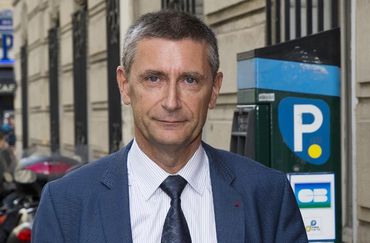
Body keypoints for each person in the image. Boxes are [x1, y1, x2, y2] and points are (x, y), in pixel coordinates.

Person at [32, 10, 307, 243]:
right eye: (154, 79)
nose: (171, 102)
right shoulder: (66, 203)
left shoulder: (268, 194)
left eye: (190, 80)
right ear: (124, 85)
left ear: (214, 90)